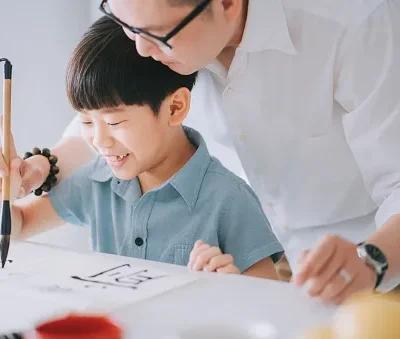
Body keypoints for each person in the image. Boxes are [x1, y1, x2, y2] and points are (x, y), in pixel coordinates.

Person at [3, 0, 400, 303]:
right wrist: (37, 167)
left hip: (364, 266)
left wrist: (373, 259)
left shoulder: (353, 24)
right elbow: (104, 120)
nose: (139, 50)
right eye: (126, 23)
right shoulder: (152, 36)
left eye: (157, 34)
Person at [7, 16, 283, 279]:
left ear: (175, 107)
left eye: (115, 122)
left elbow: (271, 299)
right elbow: (20, 223)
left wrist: (229, 284)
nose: (100, 141)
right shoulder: (97, 180)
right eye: (86, 121)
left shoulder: (230, 199)